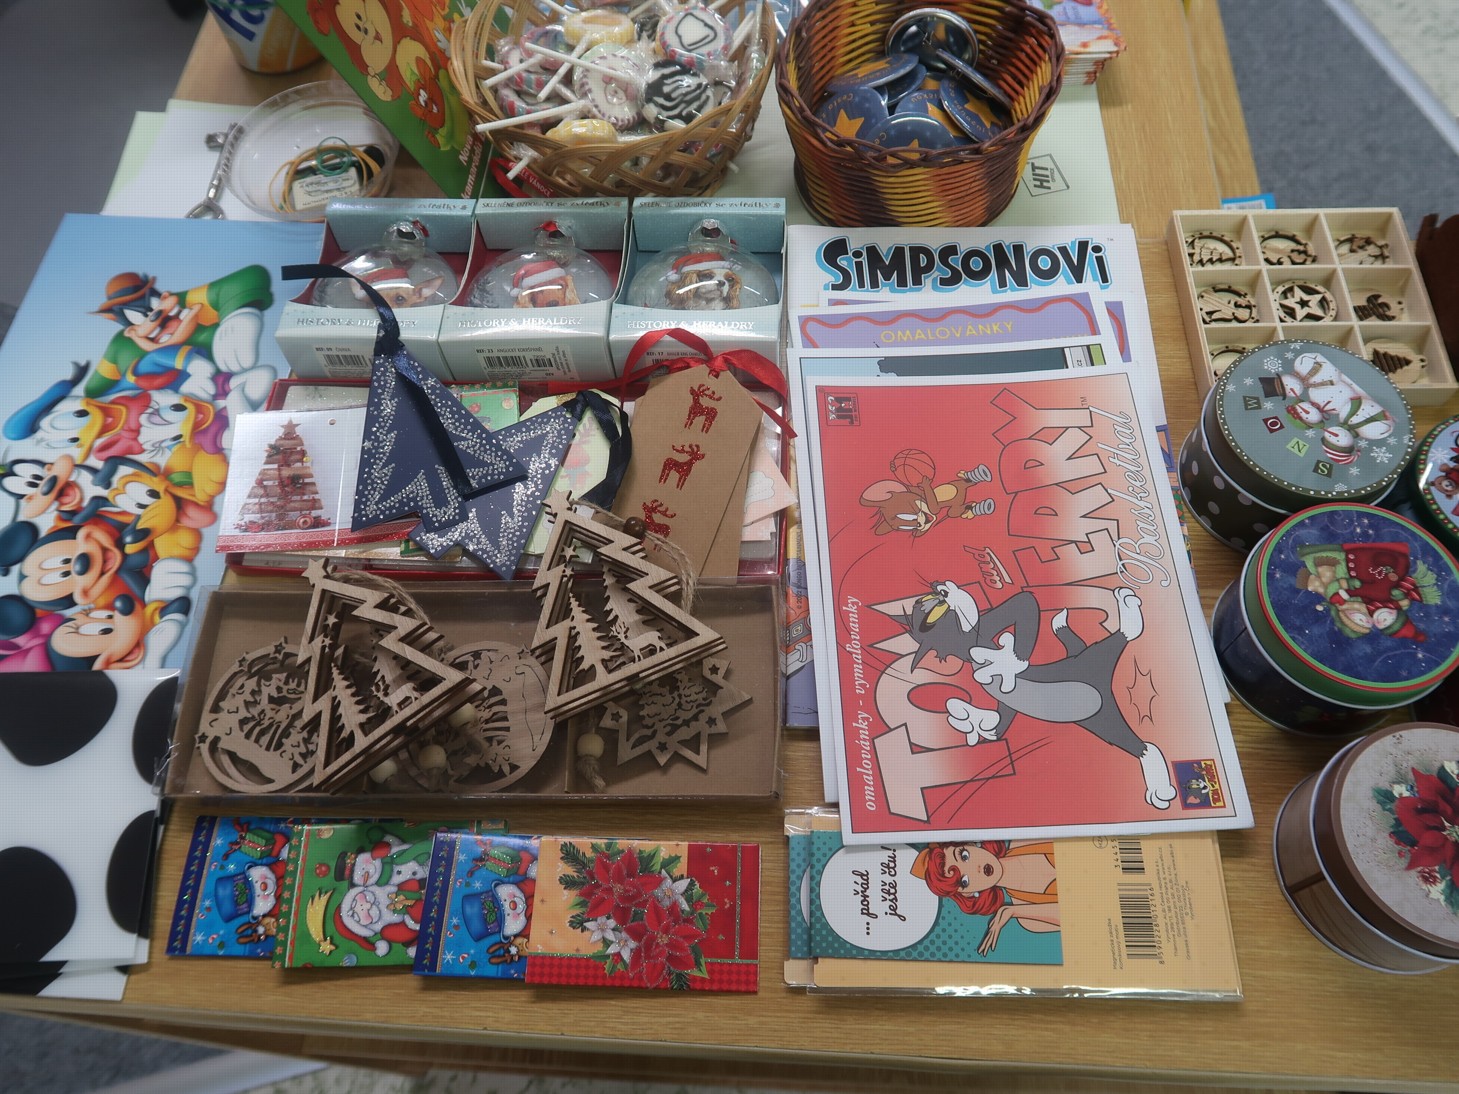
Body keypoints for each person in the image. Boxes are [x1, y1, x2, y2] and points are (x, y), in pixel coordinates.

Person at [911, 840, 1061, 956]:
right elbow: (1072, 917)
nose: (975, 869)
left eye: (964, 856)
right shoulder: (1029, 922)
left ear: (971, 845)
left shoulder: (1024, 840)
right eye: (964, 881)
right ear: (968, 894)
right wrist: (1012, 911)